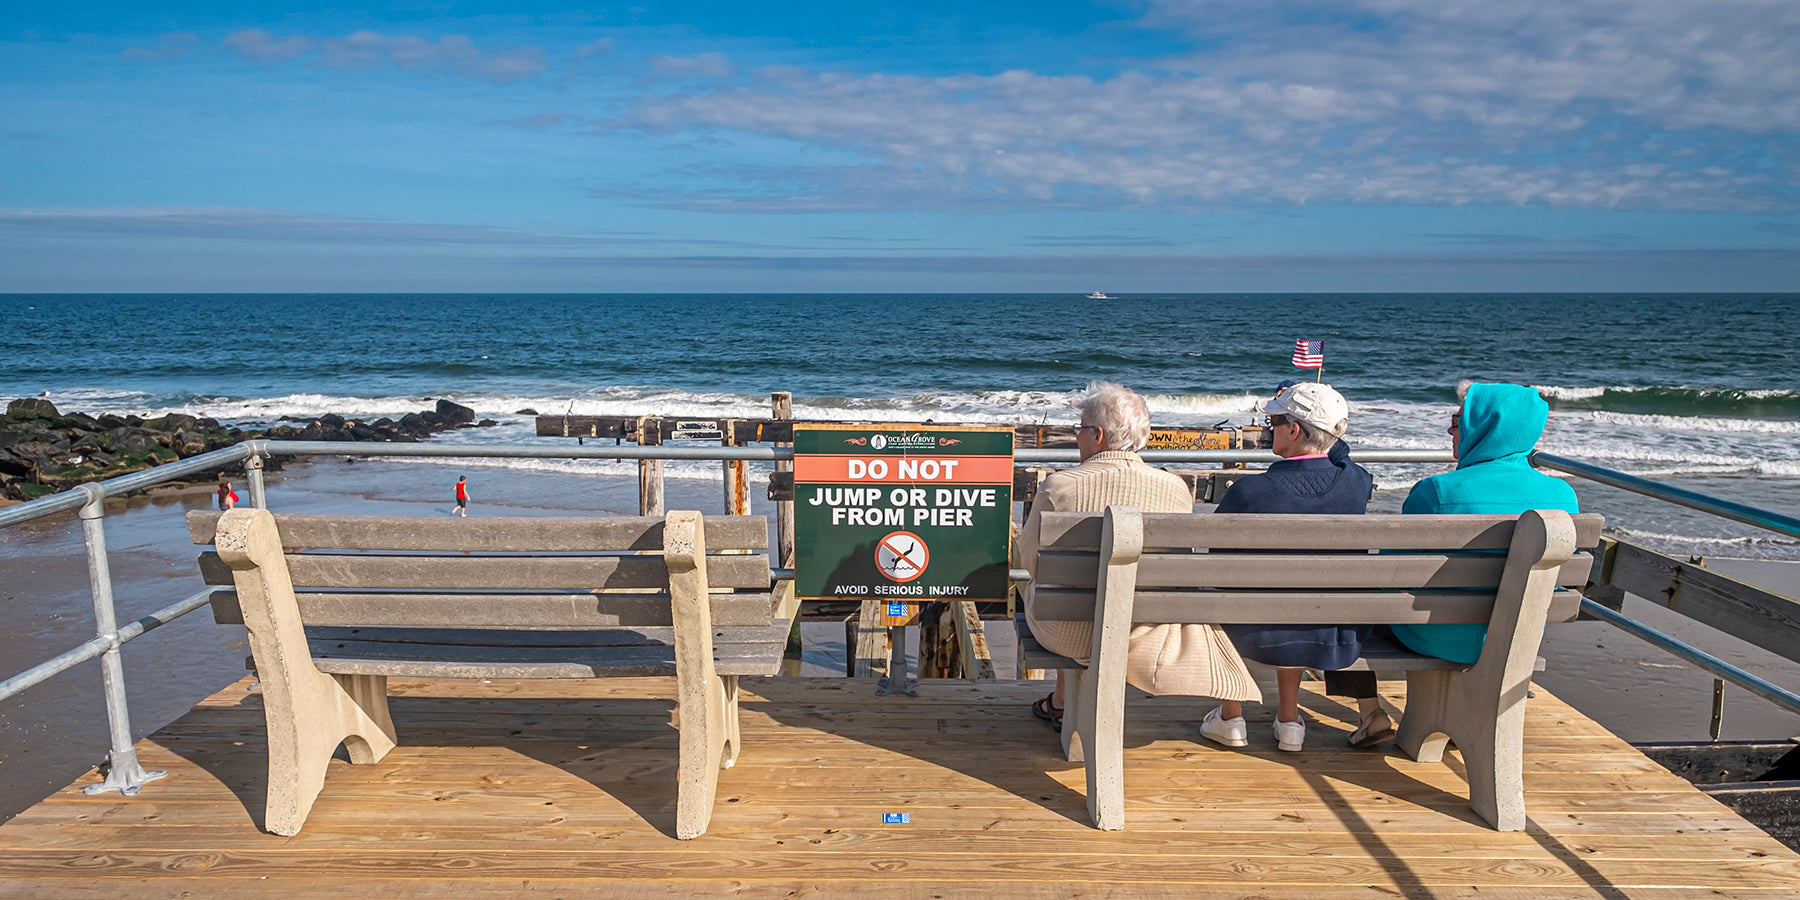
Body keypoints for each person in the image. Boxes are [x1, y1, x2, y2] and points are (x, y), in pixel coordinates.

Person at [1019, 382, 1259, 732]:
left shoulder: (1059, 487)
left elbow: (1029, 561)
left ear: (1097, 435)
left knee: (1051, 591)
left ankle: (1061, 700)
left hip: (1066, 633)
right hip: (1142, 629)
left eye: (1080, 429)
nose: (1077, 437)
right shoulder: (1176, 489)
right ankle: (1062, 701)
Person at [1204, 382, 1374, 752]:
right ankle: (1288, 718)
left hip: (1258, 636)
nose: (1268, 430)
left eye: (1274, 422)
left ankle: (1231, 715)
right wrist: (1328, 433)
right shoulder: (1355, 482)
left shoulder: (1250, 492)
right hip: (1331, 634)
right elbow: (1340, 454)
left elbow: (1216, 558)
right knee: (1302, 596)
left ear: (1294, 430)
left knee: (1220, 594)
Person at [1388, 381, 1579, 664]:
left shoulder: (1436, 492)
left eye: (1459, 421)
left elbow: (1392, 574)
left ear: (1482, 426)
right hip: (1520, 637)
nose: (1451, 430)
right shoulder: (1564, 496)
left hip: (1436, 635)